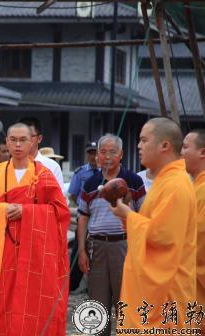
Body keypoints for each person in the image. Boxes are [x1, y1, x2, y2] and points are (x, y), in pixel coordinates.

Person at [0, 122, 69, 336]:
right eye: (13, 140)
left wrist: (26, 212)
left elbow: (60, 212)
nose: (18, 145)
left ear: (32, 142)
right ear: (7, 142)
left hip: (34, 254)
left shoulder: (44, 175)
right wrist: (4, 209)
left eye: (23, 140)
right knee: (2, 301)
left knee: (32, 301)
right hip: (3, 251)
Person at [110, 117, 196, 331]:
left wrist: (130, 217)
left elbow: (164, 238)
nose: (139, 146)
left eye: (144, 140)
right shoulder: (165, 181)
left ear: (164, 145)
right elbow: (154, 226)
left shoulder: (175, 185)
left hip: (166, 296)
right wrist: (129, 219)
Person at [76, 134, 145, 336]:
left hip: (125, 245)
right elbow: (82, 217)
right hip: (96, 246)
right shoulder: (90, 183)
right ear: (97, 155)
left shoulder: (133, 180)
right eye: (103, 152)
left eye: (112, 152)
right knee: (97, 302)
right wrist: (81, 251)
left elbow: (144, 214)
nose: (107, 157)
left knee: (126, 301)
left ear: (121, 154)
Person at [67, 141, 99, 293]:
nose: (93, 156)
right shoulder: (80, 173)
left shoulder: (105, 172)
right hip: (84, 217)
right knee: (79, 249)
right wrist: (82, 207)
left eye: (95, 152)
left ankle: (95, 284)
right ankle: (72, 283)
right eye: (90, 153)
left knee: (98, 249)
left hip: (99, 217)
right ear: (86, 154)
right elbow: (73, 195)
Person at [181, 128, 205, 322]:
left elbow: (198, 237)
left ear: (202, 152)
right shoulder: (193, 187)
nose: (181, 153)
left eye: (185, 147)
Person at [18, 117, 65, 192]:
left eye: (30, 136)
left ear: (39, 138)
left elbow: (59, 196)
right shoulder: (7, 167)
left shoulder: (52, 166)